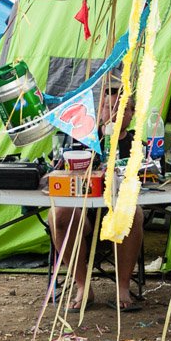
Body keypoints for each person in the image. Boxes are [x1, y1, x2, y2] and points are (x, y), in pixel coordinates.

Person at [49, 70, 144, 313]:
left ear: (131, 115)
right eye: (107, 107)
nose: (113, 114)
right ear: (98, 110)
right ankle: (83, 286)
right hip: (85, 210)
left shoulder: (138, 144)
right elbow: (54, 174)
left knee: (133, 212)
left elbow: (154, 178)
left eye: (121, 109)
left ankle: (123, 287)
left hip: (120, 207)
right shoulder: (82, 141)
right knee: (59, 215)